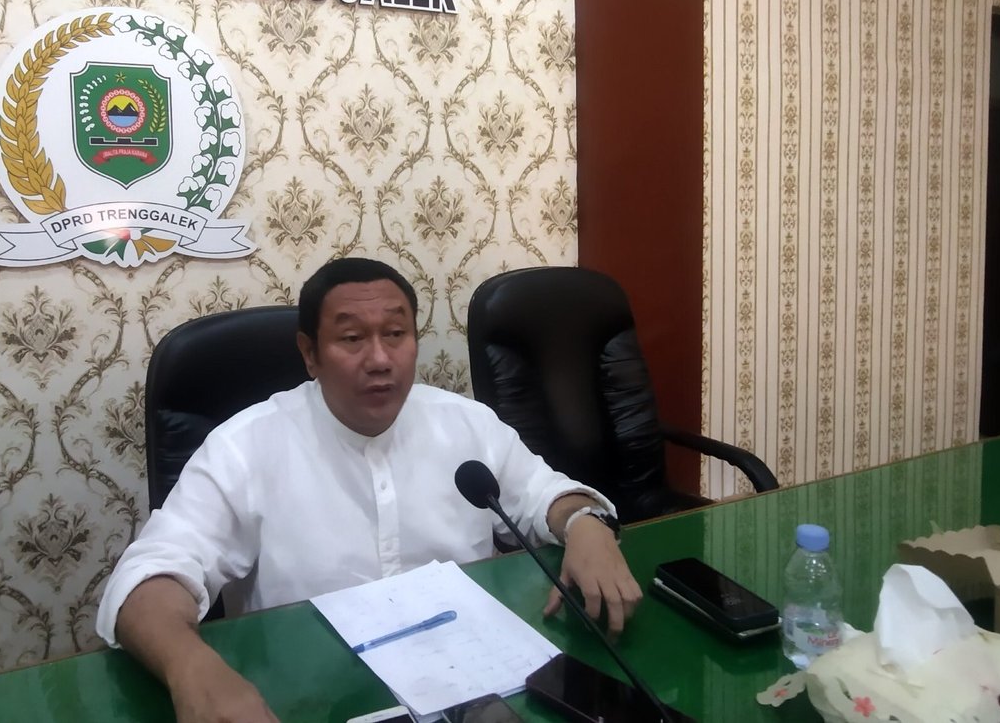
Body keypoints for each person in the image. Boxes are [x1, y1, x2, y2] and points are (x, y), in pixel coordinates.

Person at [95, 257, 643, 723]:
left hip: (471, 688)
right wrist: (190, 665)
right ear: (310, 353)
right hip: (310, 697)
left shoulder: (467, 424)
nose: (380, 359)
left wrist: (584, 525)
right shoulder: (245, 446)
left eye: (396, 334)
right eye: (352, 339)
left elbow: (547, 495)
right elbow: (150, 576)